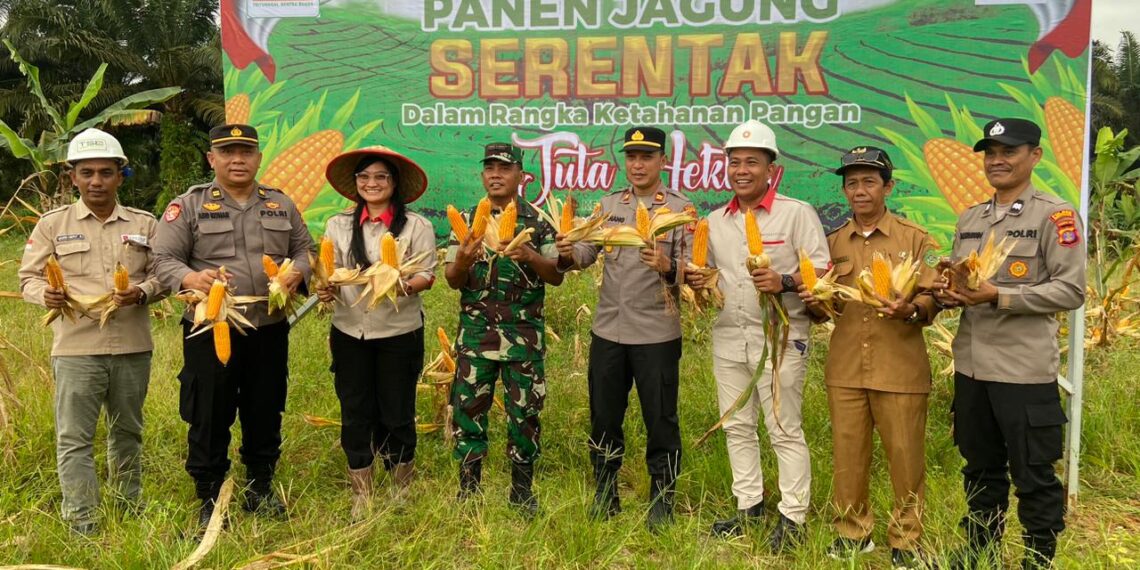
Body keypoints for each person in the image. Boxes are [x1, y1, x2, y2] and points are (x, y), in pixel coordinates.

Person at [933, 118, 1086, 569]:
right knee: (980, 469)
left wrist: (999, 296)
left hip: (1022, 371)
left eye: (1008, 152)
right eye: (990, 153)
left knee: (1033, 474)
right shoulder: (971, 218)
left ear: (1034, 156)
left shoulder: (1054, 216)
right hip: (972, 367)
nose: (996, 161)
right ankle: (979, 553)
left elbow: (1071, 290)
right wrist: (947, 292)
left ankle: (1038, 559)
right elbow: (963, 280)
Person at [152, 124, 313, 531]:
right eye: (227, 152)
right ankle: (208, 494)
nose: (237, 159)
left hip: (268, 325)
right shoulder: (188, 205)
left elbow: (303, 249)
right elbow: (163, 259)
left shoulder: (280, 204)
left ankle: (260, 486)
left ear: (258, 157)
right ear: (212, 159)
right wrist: (192, 278)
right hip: (212, 325)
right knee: (209, 409)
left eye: (246, 151)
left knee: (265, 405)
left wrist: (297, 273)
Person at [683, 120, 828, 549]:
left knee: (783, 428)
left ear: (771, 169)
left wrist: (785, 282)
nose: (742, 170)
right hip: (729, 335)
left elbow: (822, 271)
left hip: (781, 338)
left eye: (752, 162)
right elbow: (708, 273)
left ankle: (793, 516)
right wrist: (698, 280)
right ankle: (748, 507)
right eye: (735, 162)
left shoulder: (796, 213)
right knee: (736, 425)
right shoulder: (716, 220)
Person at [18, 128, 166, 535]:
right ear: (73, 178)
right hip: (76, 348)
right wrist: (45, 295)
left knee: (128, 432)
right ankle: (82, 519)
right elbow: (28, 278)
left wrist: (141, 292)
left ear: (121, 176)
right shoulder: (52, 225)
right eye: (87, 173)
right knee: (75, 438)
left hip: (132, 346)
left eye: (105, 172)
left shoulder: (144, 223)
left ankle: (128, 506)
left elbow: (164, 275)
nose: (96, 181)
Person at [800, 146, 940, 568]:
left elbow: (934, 296)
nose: (859, 190)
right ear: (844, 191)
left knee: (905, 457)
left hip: (900, 367)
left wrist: (911, 309)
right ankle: (852, 532)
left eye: (869, 182)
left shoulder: (914, 238)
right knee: (848, 456)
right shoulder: (832, 242)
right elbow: (824, 309)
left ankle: (906, 540)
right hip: (846, 367)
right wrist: (815, 303)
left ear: (888, 187)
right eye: (852, 184)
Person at [555, 126, 692, 530]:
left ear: (663, 160)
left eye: (646, 157)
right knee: (604, 417)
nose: (638, 165)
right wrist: (567, 251)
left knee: (661, 419)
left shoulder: (681, 210)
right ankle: (605, 491)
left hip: (656, 335)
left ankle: (662, 500)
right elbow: (585, 253)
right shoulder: (610, 205)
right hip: (609, 332)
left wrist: (668, 266)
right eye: (631, 157)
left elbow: (700, 271)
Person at [316, 146, 435, 521]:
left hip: (399, 332)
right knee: (355, 411)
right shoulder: (337, 226)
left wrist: (405, 286)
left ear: (394, 183)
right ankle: (362, 494)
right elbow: (330, 271)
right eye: (364, 177)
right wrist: (325, 287)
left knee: (397, 412)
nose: (372, 183)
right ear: (356, 183)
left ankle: (402, 489)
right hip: (350, 331)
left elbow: (427, 274)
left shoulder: (416, 226)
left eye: (381, 177)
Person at [444, 142, 563, 517]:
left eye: (504, 168)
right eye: (490, 168)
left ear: (520, 175)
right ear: (482, 175)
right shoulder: (466, 220)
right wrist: (463, 261)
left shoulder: (537, 222)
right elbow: (451, 279)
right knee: (468, 411)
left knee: (525, 415)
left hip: (523, 339)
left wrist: (529, 254)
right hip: (476, 338)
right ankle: (469, 490)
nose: (495, 174)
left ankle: (522, 491)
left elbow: (556, 275)